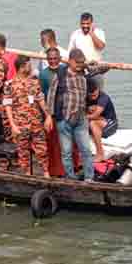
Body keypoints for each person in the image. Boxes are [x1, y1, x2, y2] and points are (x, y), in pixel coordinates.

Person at [46, 49, 95, 181]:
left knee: (86, 150)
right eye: (78, 63)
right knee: (66, 152)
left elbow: (100, 69)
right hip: (64, 118)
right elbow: (51, 96)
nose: (80, 65)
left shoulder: (84, 73)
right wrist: (49, 116)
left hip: (81, 118)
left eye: (82, 63)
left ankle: (89, 178)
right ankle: (70, 177)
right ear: (70, 61)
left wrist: (89, 65)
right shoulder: (61, 75)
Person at [3, 56, 53, 177]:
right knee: (23, 152)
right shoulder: (9, 84)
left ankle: (46, 173)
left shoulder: (34, 82)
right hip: (20, 124)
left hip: (36, 122)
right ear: (22, 67)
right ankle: (27, 174)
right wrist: (12, 125)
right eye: (28, 64)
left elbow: (41, 99)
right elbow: (7, 106)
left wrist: (48, 116)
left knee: (42, 149)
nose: (31, 67)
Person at [68, 12, 106, 90]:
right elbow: (70, 52)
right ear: (80, 23)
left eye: (87, 23)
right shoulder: (75, 34)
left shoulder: (99, 32)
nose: (85, 26)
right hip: (79, 71)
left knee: (98, 94)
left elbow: (101, 46)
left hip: (95, 71)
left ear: (92, 23)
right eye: (83, 23)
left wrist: (91, 34)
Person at [86, 78, 118, 162]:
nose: (92, 98)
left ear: (97, 89)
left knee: (93, 123)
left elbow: (95, 115)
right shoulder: (85, 97)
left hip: (110, 123)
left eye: (94, 95)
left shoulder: (103, 97)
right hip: (99, 120)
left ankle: (100, 153)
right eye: (90, 96)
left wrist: (87, 114)